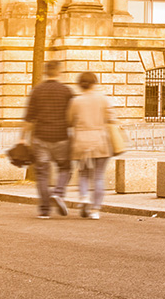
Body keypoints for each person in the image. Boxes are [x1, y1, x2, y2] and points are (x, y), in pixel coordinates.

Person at [21, 68, 74, 219]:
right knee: (65, 168)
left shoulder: (37, 91)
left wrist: (22, 138)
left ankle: (44, 210)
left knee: (42, 173)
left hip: (41, 137)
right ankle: (58, 192)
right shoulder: (66, 91)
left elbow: (29, 117)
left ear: (45, 72)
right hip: (61, 137)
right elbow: (72, 115)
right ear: (58, 72)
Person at [67, 72, 114, 219]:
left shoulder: (76, 101)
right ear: (95, 82)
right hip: (100, 141)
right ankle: (95, 210)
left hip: (81, 142)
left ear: (80, 84)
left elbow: (69, 120)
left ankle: (84, 197)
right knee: (99, 176)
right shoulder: (103, 99)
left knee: (83, 173)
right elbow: (112, 118)